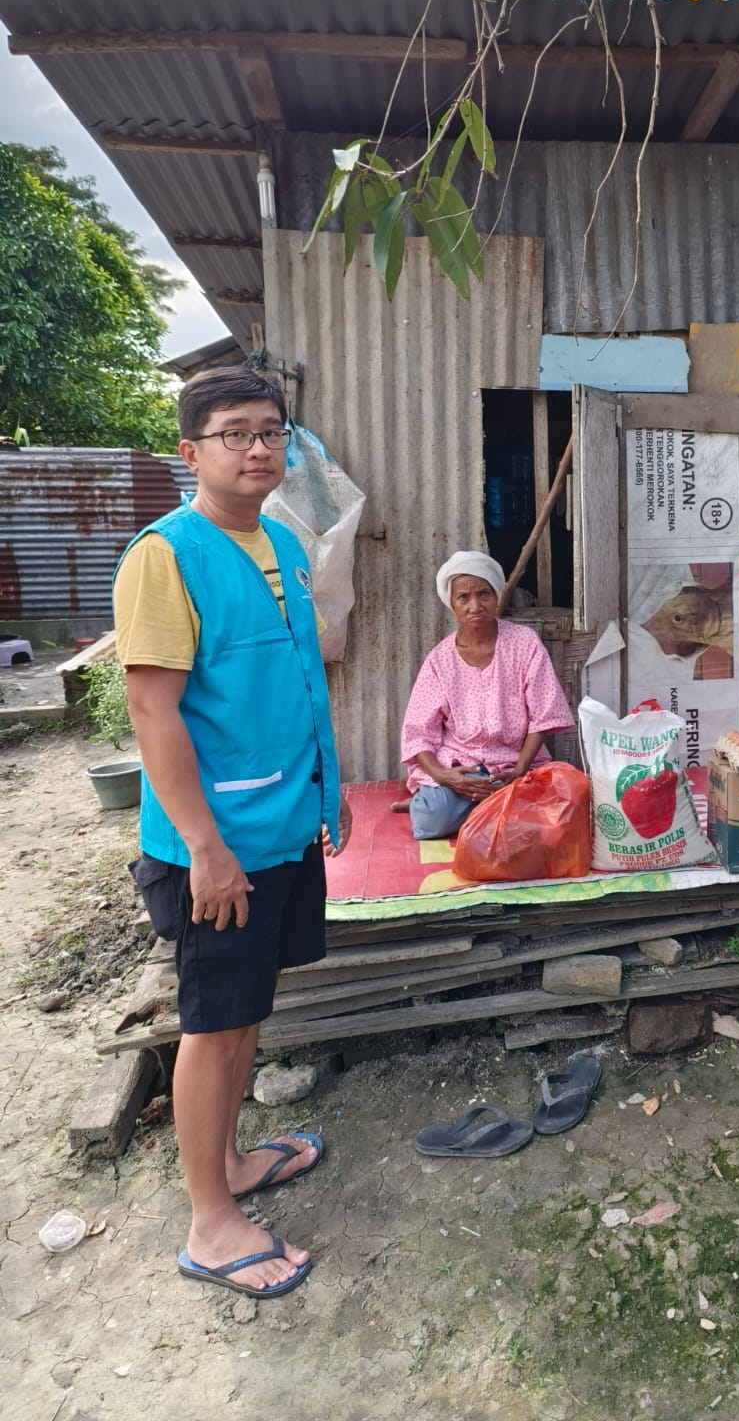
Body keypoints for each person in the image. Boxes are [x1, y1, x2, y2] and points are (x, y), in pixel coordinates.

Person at [115, 367, 353, 1301]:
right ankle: (210, 1224)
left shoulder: (282, 542)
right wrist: (205, 849)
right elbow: (152, 710)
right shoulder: (165, 556)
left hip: (283, 826)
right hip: (216, 847)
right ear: (191, 451)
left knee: (248, 1008)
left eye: (272, 432)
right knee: (212, 1027)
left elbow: (296, 680)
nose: (259, 448)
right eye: (235, 433)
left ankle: (232, 1162)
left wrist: (328, 794)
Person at [396, 551, 574, 839]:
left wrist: (519, 770)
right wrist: (444, 777)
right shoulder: (440, 660)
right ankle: (447, 802)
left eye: (483, 594)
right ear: (452, 603)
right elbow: (418, 734)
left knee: (561, 807)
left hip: (514, 766)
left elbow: (544, 716)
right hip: (460, 767)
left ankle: (461, 805)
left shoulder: (524, 643)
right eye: (463, 598)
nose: (475, 606)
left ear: (496, 596)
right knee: (432, 822)